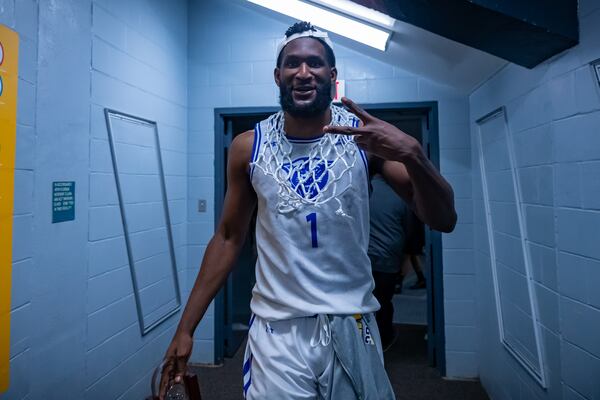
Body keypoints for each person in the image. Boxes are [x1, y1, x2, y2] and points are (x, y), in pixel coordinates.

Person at [159, 21, 457, 400]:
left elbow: (444, 219)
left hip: (351, 320)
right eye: (292, 64)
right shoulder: (248, 147)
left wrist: (413, 154)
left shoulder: (364, 141)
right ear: (277, 75)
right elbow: (229, 238)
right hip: (276, 329)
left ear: (332, 76)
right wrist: (186, 327)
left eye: (314, 64)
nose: (303, 73)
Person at [367, 173, 409, 352]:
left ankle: (364, 343)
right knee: (384, 301)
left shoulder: (362, 190)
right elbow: (409, 229)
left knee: (363, 302)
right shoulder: (399, 195)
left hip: (363, 257)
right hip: (388, 258)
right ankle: (384, 341)